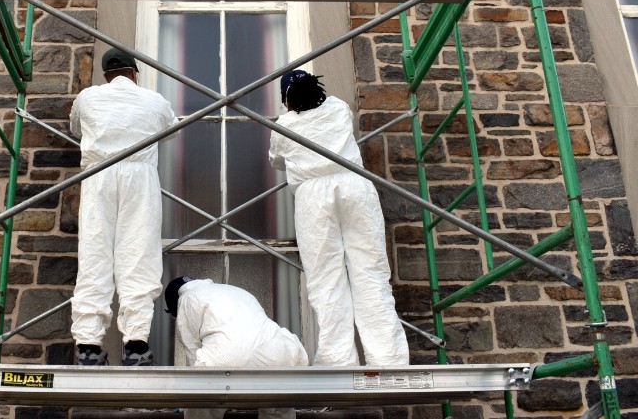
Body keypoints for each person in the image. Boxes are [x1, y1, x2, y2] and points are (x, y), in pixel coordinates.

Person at [268, 70, 409, 367]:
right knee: (370, 272)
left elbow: (277, 161)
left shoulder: (284, 126)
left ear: (287, 99)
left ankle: (338, 360)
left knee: (326, 278)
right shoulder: (338, 107)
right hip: (354, 185)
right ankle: (388, 358)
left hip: (314, 197)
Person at [70, 48, 178, 366]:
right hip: (138, 174)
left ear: (106, 75)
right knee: (138, 254)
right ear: (134, 73)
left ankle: (88, 344)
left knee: (95, 252)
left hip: (98, 174)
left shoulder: (88, 98)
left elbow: (77, 128)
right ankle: (136, 342)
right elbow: (170, 130)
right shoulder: (155, 101)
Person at [164, 276, 309, 419]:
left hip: (228, 360)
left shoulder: (187, 298)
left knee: (202, 400)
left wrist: (190, 399)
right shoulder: (234, 290)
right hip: (278, 356)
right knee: (277, 408)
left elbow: (192, 350)